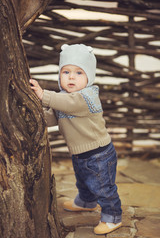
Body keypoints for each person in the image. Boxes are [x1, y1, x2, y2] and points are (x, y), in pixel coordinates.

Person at [30, 44, 122, 235]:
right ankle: (86, 201)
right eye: (66, 72)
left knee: (103, 188)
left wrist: (43, 95)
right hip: (81, 153)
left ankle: (113, 216)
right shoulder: (64, 97)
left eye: (79, 72)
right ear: (60, 75)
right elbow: (51, 118)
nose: (71, 77)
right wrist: (35, 114)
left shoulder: (87, 97)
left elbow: (67, 104)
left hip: (99, 154)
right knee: (84, 181)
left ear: (89, 76)